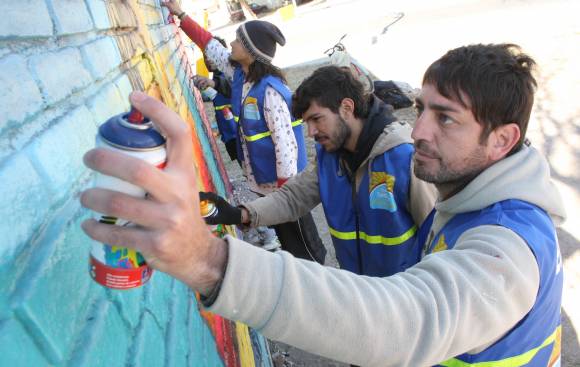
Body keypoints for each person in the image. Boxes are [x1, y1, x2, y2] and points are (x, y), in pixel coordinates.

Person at [80, 43, 565, 366]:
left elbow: (413, 319)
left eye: (446, 118)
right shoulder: (454, 189)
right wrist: (236, 214)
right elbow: (295, 197)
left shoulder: (509, 246)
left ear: (502, 140)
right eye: (421, 109)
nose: (419, 129)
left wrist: (208, 261)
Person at [203, 66, 436, 277]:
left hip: (405, 299)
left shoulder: (404, 158)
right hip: (359, 291)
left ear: (347, 108)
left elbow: (436, 236)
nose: (311, 131)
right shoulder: (330, 157)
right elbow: (293, 198)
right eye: (307, 122)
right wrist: (240, 214)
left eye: (317, 119)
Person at [161, 0, 326, 263]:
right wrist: (180, 14)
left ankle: (316, 273)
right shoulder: (242, 76)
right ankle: (301, 272)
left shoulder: (269, 91)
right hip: (267, 185)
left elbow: (285, 145)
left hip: (284, 187)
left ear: (250, 51)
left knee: (303, 242)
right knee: (287, 238)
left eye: (238, 40)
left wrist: (285, 192)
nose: (232, 43)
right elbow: (210, 46)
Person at [194, 37, 239, 163]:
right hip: (229, 135)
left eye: (211, 54)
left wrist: (213, 83)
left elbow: (227, 86)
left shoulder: (230, 75)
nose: (208, 59)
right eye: (205, 56)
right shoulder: (216, 76)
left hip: (238, 135)